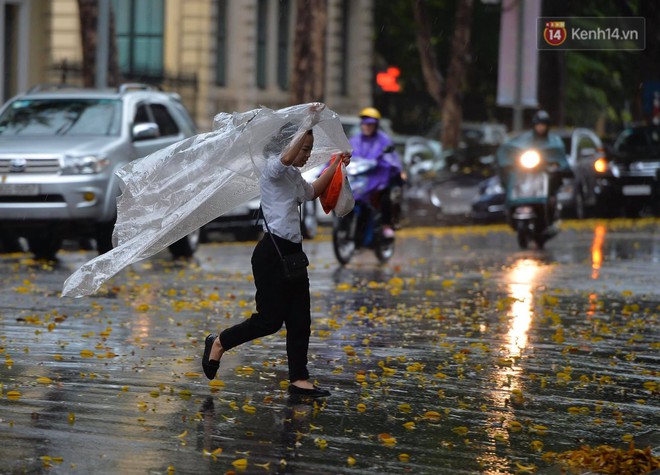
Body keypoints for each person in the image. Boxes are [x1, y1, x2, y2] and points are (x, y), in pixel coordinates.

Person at [202, 107, 350, 398]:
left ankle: (299, 379)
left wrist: (336, 164)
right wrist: (306, 123)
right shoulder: (272, 168)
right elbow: (284, 158)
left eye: (309, 149)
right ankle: (219, 342)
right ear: (290, 144)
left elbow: (311, 193)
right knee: (269, 321)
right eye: (304, 148)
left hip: (292, 254)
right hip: (271, 254)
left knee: (300, 320)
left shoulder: (293, 175)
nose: (307, 154)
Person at [349, 107, 403, 238]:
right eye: (364, 123)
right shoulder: (355, 140)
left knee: (385, 195)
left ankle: (386, 225)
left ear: (376, 125)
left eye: (370, 124)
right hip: (360, 177)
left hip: (378, 177)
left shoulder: (383, 139)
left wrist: (388, 166)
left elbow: (392, 158)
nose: (366, 126)